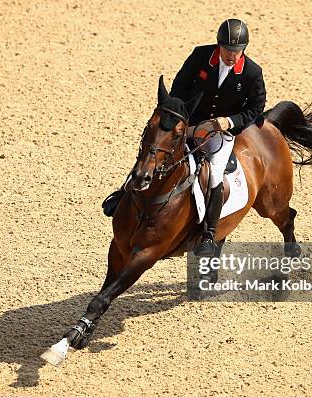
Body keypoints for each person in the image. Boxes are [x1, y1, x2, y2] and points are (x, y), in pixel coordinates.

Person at [102, 18, 266, 257]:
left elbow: (256, 108)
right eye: (227, 49)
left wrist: (228, 122)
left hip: (218, 132)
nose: (231, 55)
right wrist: (178, 121)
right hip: (189, 125)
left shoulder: (252, 72)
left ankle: (209, 234)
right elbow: (179, 88)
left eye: (236, 51)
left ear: (243, 50)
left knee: (214, 174)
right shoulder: (200, 56)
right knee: (155, 148)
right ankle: (123, 193)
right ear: (218, 45)